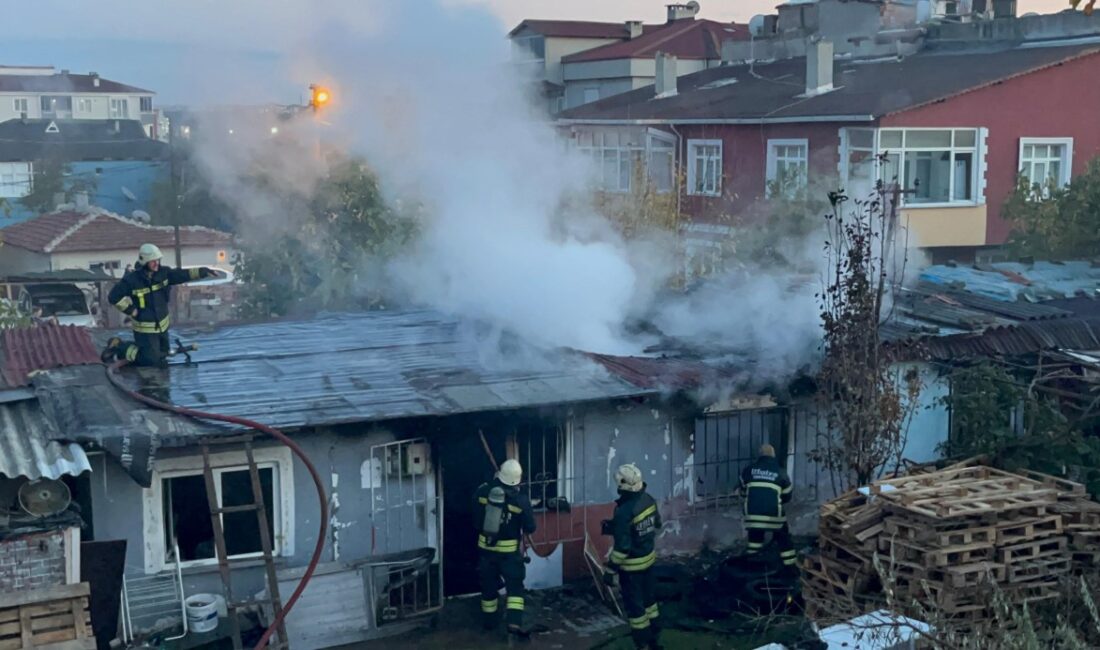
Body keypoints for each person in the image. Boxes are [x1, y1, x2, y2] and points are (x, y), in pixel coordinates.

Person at [106, 244, 213, 367]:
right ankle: (119, 347)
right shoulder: (132, 280)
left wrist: (202, 271)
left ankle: (140, 350)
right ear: (144, 262)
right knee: (151, 360)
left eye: (157, 260)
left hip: (162, 326)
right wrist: (131, 310)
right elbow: (113, 296)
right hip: (144, 329)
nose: (156, 263)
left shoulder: (164, 274)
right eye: (153, 261)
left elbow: (182, 274)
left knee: (163, 355)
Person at [473, 459, 536, 636]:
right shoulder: (521, 500)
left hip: (485, 551)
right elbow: (531, 527)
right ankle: (514, 623)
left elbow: (475, 519)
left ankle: (490, 622)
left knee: (488, 587)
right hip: (509, 555)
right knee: (515, 588)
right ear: (517, 479)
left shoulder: (482, 491)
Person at [605, 463, 662, 650]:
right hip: (649, 561)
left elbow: (623, 547)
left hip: (631, 569)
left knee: (636, 609)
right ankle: (654, 639)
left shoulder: (623, 511)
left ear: (623, 484)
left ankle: (642, 644)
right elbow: (657, 524)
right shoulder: (649, 499)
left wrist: (610, 568)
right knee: (650, 603)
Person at [740, 443, 797, 570]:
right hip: (774, 518)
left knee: (755, 540)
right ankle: (790, 567)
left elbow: (743, 491)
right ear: (773, 455)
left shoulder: (749, 470)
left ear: (760, 455)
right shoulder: (781, 472)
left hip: (752, 517)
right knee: (784, 538)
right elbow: (787, 496)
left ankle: (752, 565)